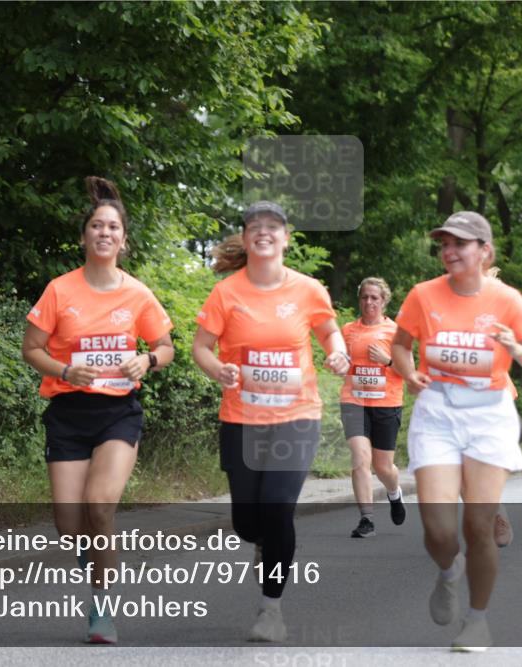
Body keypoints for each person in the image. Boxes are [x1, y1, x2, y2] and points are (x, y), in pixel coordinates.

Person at [22, 176, 174, 644]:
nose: (104, 233)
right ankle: (93, 553)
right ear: (84, 236)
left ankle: (102, 608)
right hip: (68, 413)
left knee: (100, 506)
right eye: (96, 226)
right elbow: (32, 348)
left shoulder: (137, 294)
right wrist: (65, 371)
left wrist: (146, 359)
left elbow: (166, 346)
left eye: (112, 227)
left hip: (116, 414)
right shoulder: (59, 290)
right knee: (70, 526)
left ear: (123, 240)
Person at [391, 211, 522, 652]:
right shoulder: (424, 295)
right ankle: (448, 570)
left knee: (480, 525)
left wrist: (514, 346)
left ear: (484, 251)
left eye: (460, 243)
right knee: (439, 528)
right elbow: (400, 346)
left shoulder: (507, 300)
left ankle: (477, 620)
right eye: (444, 243)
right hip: (438, 411)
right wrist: (408, 373)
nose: (449, 251)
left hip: (489, 415)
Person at [191, 201, 350, 642]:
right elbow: (201, 346)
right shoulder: (227, 292)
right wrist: (215, 369)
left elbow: (328, 331)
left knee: (279, 508)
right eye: (254, 226)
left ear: (286, 237)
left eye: (273, 226)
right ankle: (262, 542)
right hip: (242, 419)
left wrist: (338, 352)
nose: (263, 232)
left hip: (296, 417)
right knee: (247, 522)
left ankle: (271, 610)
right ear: (245, 239)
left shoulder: (308, 289)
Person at [341, 277, 406, 538]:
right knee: (360, 460)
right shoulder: (347, 330)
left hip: (387, 403)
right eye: (365, 297)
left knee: (383, 468)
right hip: (354, 400)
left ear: (384, 301)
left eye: (374, 298)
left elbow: (408, 371)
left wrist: (387, 360)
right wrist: (337, 363)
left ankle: (394, 492)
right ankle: (366, 519)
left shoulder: (396, 332)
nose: (369, 302)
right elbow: (341, 361)